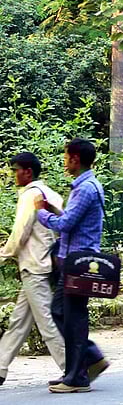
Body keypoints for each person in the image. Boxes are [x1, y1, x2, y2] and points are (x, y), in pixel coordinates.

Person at [34, 139, 108, 393]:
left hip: (79, 263)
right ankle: (87, 361)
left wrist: (40, 213)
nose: (64, 161)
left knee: (74, 318)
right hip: (73, 260)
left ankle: (78, 377)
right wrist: (54, 210)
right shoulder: (83, 186)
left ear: (75, 158)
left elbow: (65, 224)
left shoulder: (86, 188)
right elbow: (71, 219)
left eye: (66, 157)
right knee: (60, 312)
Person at [0, 153, 66, 386]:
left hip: (34, 265)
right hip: (42, 263)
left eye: (16, 169)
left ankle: (72, 368)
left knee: (46, 322)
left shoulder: (30, 195)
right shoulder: (48, 193)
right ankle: (0, 367)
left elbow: (21, 230)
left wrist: (4, 253)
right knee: (19, 322)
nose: (14, 174)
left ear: (27, 171)